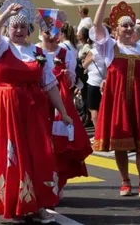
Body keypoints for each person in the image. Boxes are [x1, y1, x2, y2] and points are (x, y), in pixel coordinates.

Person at [0, 0, 73, 223]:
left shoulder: (39, 53)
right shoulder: (0, 47)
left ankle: (38, 204)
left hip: (33, 110)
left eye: (22, 26)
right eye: (14, 26)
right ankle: (13, 203)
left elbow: (50, 85)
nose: (19, 30)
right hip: (6, 108)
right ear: (8, 29)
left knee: (38, 154)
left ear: (29, 29)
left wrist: (64, 111)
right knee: (11, 154)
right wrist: (5, 15)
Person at [91, 0, 140, 199]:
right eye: (124, 26)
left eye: (131, 25)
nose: (129, 29)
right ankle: (125, 181)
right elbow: (96, 27)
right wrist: (104, 0)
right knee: (120, 142)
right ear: (115, 30)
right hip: (118, 102)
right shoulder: (109, 48)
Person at [37, 11, 93, 198]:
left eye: (55, 31)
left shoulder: (66, 53)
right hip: (39, 104)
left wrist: (68, 78)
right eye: (47, 31)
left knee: (62, 146)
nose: (51, 35)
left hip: (61, 105)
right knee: (43, 145)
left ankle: (58, 183)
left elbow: (71, 82)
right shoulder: (36, 51)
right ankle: (43, 184)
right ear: (41, 32)